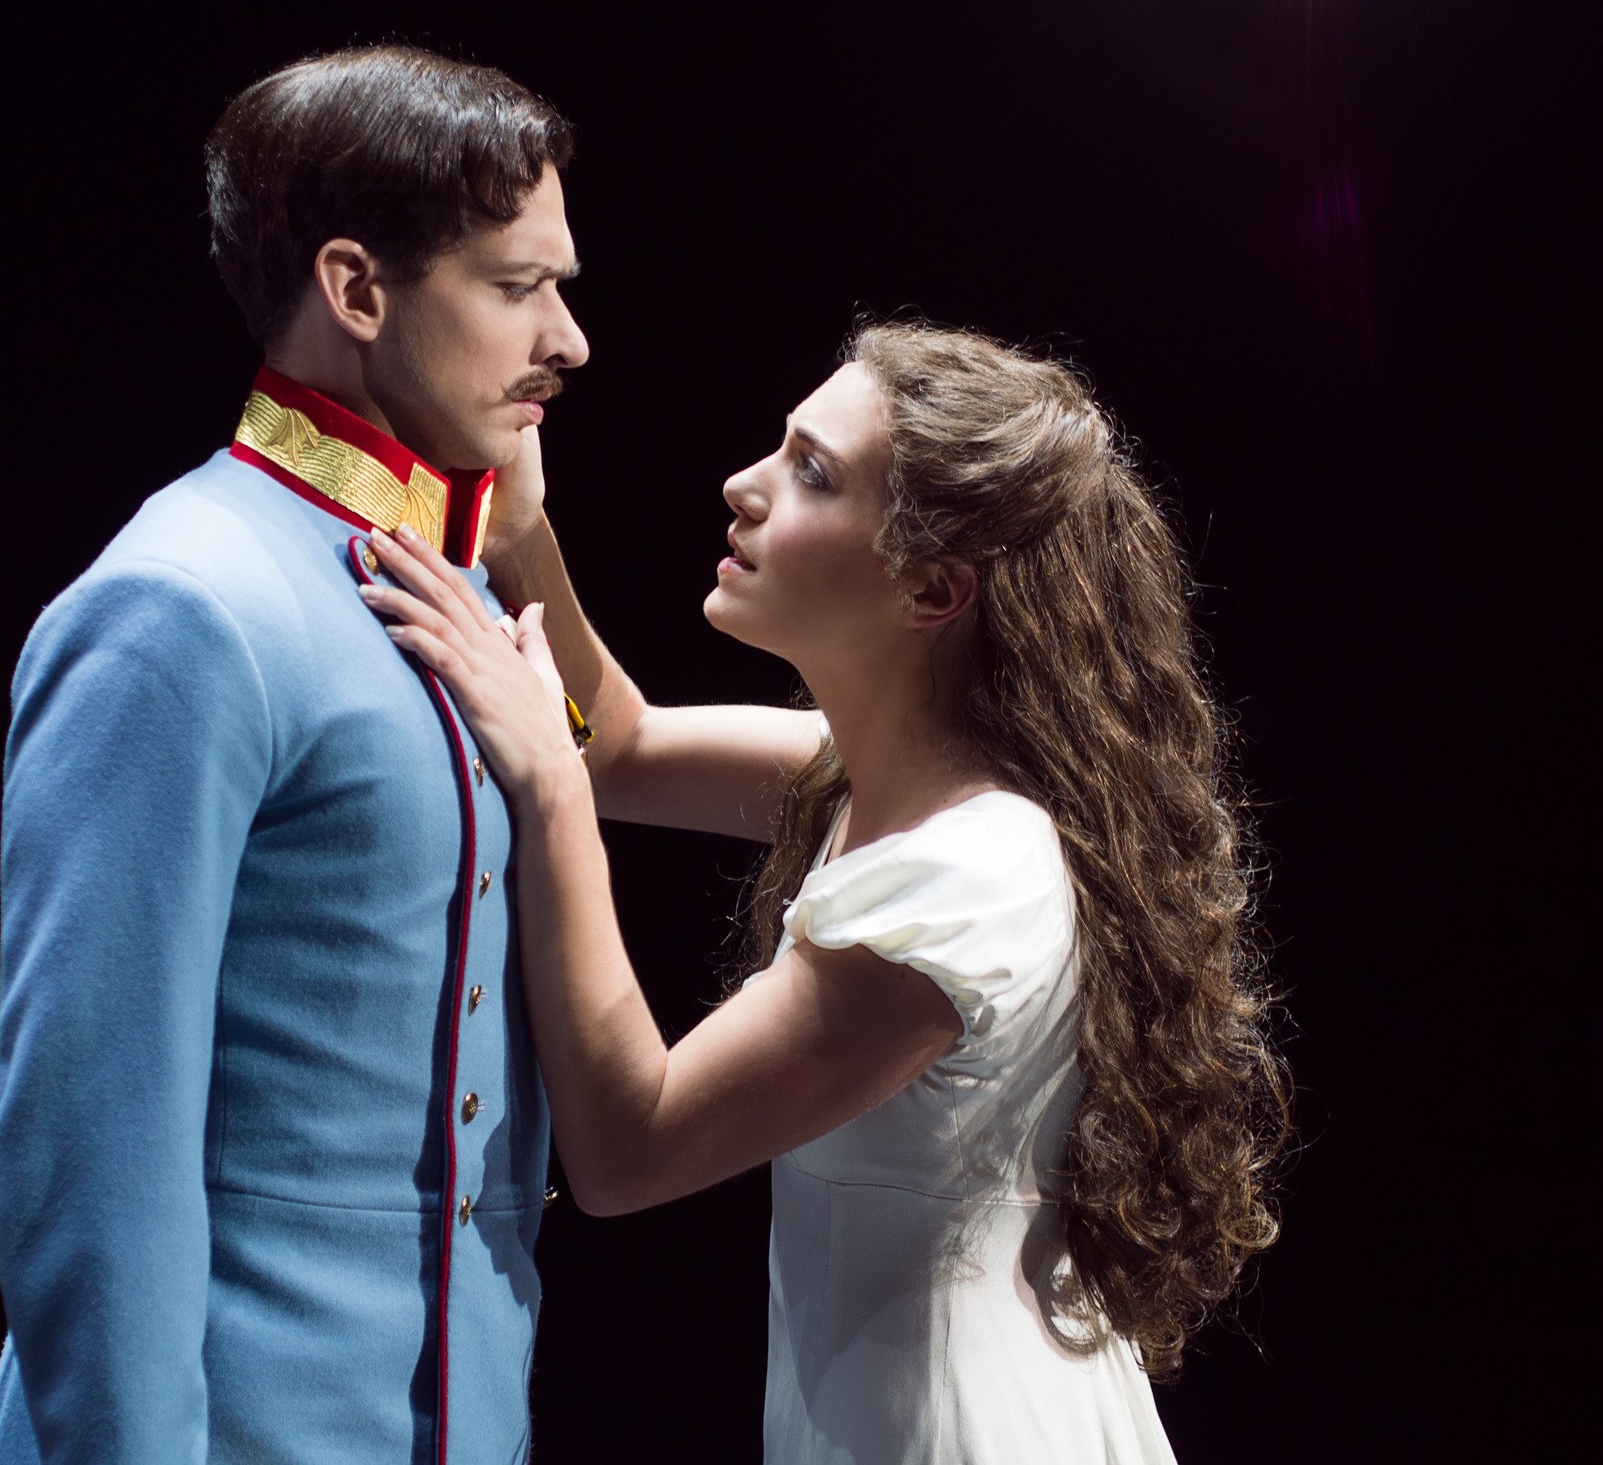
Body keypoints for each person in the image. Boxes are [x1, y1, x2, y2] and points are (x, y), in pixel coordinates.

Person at [368, 321, 1288, 1463]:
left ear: (931, 589)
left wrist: (544, 784)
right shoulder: (885, 778)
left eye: (810, 472)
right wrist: (519, 531)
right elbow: (624, 747)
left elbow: (626, 1149)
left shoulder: (968, 878)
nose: (743, 486)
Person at [0, 47, 588, 1465]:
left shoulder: (448, 580)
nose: (568, 339)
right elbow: (87, 1150)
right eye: (518, 287)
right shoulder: (181, 605)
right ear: (356, 289)